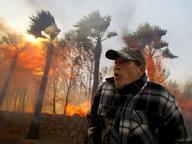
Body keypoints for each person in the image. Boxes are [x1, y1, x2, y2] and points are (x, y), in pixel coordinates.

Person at [87, 47, 190, 144]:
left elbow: (180, 140)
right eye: (116, 62)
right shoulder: (104, 89)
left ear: (140, 69)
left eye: (124, 62)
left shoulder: (162, 97)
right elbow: (94, 121)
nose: (117, 67)